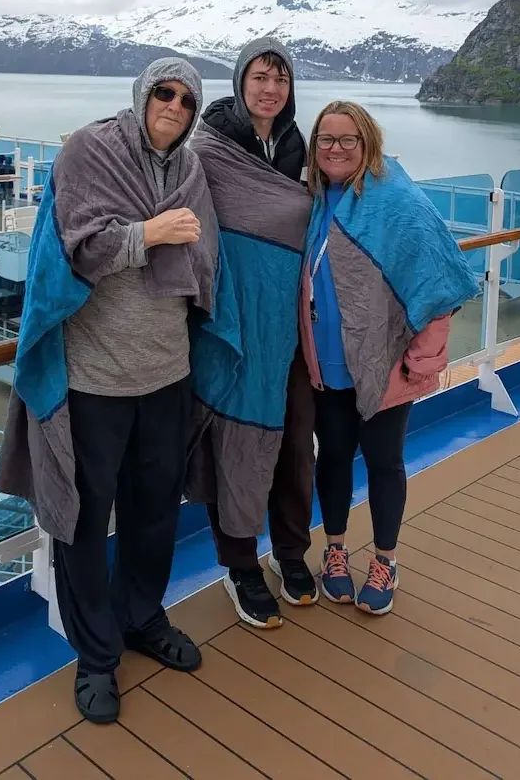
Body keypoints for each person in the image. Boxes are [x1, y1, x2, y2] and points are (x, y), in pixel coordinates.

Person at [0, 59, 229, 726]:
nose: (175, 106)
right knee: (84, 519)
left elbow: (205, 254)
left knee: (155, 511)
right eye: (164, 93)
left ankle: (141, 617)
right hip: (95, 376)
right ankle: (95, 655)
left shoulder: (189, 167)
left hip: (168, 371)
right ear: (142, 94)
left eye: (188, 100)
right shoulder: (88, 150)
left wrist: (171, 246)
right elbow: (79, 249)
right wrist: (151, 233)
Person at [299, 102, 478, 614]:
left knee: (383, 462)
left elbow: (441, 282)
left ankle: (385, 560)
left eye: (348, 140)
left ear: (368, 144)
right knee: (333, 457)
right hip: (327, 363)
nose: (336, 149)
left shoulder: (398, 201)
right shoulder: (315, 199)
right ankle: (335, 550)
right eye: (326, 139)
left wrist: (420, 360)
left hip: (386, 363)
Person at [188, 38, 316, 628]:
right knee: (234, 439)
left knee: (294, 444)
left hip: (290, 326)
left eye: (281, 80)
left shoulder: (298, 150)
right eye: (260, 77)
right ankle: (240, 564)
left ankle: (290, 552)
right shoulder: (209, 149)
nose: (270, 89)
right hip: (231, 323)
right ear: (240, 82)